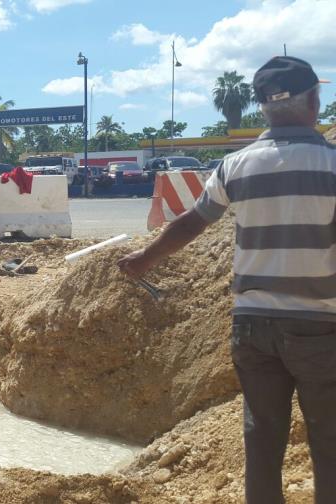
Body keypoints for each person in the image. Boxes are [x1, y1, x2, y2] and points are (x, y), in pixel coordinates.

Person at [118, 56, 334, 504]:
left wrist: (144, 258)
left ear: (263, 109)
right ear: (313, 101)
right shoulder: (330, 163)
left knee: (262, 440)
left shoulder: (236, 165)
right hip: (320, 326)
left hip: (252, 326)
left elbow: (191, 224)